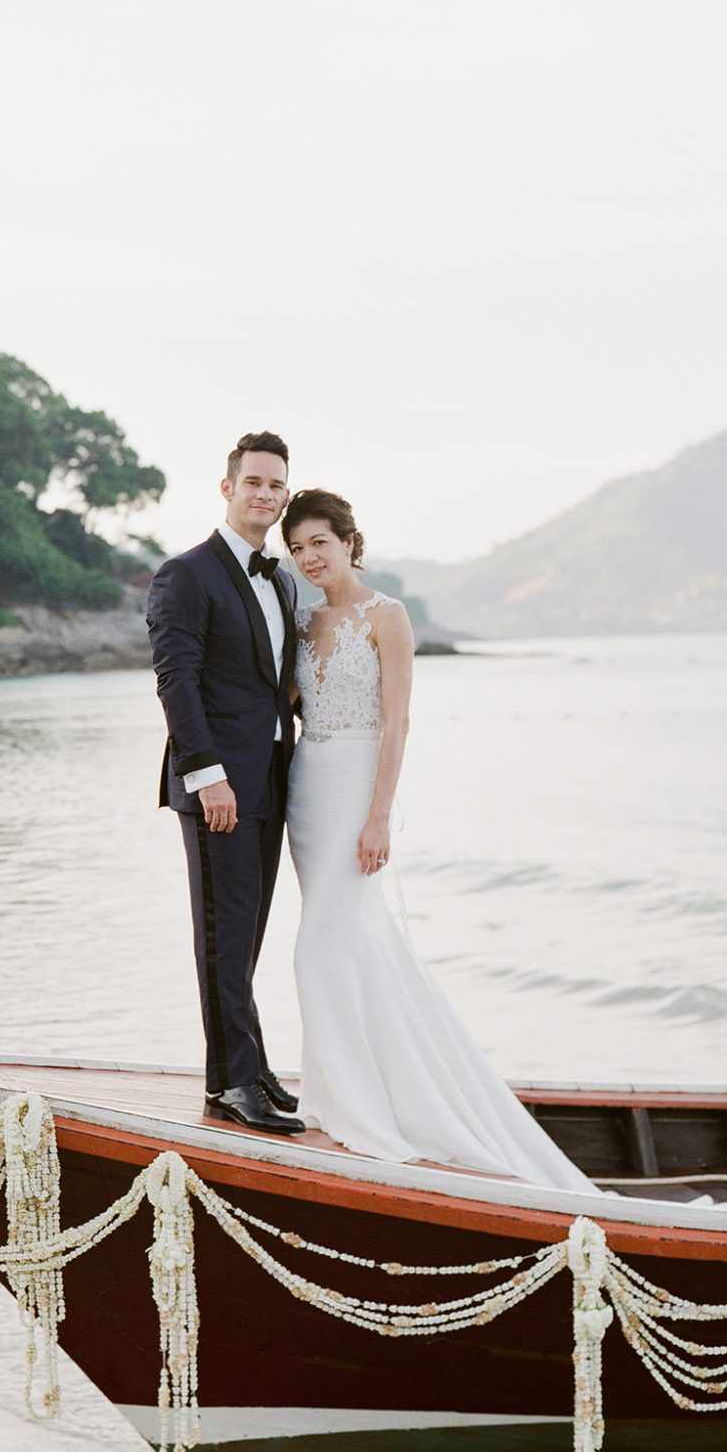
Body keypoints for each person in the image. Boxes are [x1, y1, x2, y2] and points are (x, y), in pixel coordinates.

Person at [282, 487, 594, 1186]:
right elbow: (289, 705)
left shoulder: (385, 616)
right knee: (344, 939)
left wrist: (378, 815)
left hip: (357, 786)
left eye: (319, 543)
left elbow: (396, 724)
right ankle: (340, 1091)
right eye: (296, 547)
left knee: (320, 944)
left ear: (348, 542)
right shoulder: (302, 622)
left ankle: (351, 1100)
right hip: (306, 785)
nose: (308, 557)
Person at [145, 432, 306, 1135]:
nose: (264, 495)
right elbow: (176, 681)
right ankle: (234, 1081)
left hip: (269, 777)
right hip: (218, 787)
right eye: (253, 483)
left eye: (276, 485)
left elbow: (272, 684)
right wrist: (206, 775)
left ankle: (244, 1070)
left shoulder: (279, 577)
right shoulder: (187, 574)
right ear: (227, 488)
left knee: (245, 934)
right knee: (221, 931)